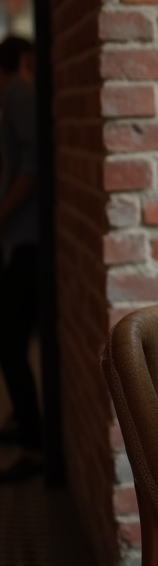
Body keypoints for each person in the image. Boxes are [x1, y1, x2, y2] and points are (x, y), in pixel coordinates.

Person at [0, 36, 41, 483]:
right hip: (20, 240)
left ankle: (34, 444)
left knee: (11, 344)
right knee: (10, 343)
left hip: (27, 240)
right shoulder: (16, 96)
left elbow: (31, 164)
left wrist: (3, 214)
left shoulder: (19, 94)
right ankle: (24, 427)